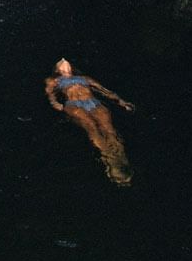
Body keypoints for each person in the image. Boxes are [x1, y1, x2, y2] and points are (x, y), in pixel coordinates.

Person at [45, 56, 135, 185]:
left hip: (93, 103)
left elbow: (104, 90)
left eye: (67, 62)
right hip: (74, 104)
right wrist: (55, 104)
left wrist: (122, 102)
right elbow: (50, 94)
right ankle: (108, 159)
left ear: (71, 66)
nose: (64, 61)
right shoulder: (54, 80)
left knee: (109, 129)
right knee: (91, 126)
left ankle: (121, 159)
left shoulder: (84, 78)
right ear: (57, 69)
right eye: (61, 62)